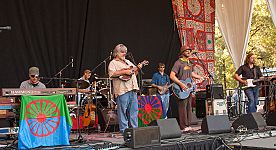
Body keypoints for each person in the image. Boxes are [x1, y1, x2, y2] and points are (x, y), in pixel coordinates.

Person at [108, 44, 143, 133]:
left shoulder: (128, 61)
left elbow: (133, 74)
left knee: (134, 111)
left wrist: (138, 69)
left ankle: (135, 130)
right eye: (122, 52)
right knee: (122, 111)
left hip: (133, 89)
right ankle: (124, 131)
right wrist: (125, 71)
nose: (124, 54)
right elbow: (111, 74)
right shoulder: (113, 63)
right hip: (122, 90)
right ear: (116, 53)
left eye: (125, 52)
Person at [170, 46, 205, 132]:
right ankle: (183, 126)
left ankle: (188, 125)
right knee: (182, 108)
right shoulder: (178, 63)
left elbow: (191, 73)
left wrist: (200, 77)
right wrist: (181, 84)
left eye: (189, 50)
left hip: (188, 88)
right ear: (182, 52)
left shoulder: (189, 63)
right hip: (181, 88)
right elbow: (172, 75)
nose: (189, 51)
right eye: (186, 50)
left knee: (189, 107)